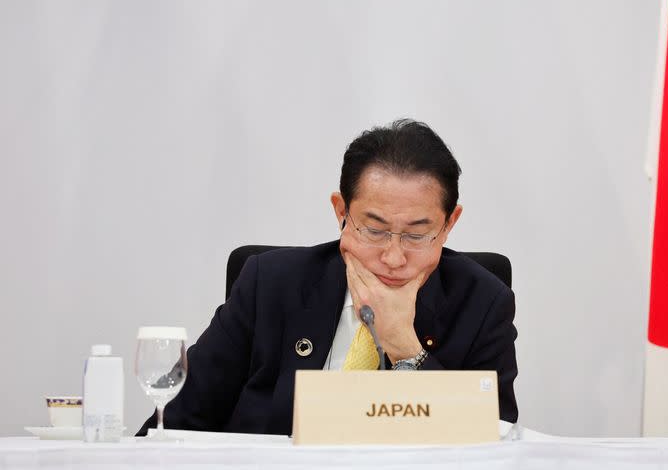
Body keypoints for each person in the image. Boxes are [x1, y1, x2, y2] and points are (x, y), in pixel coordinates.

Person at [138, 119, 518, 435]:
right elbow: (170, 425)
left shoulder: (483, 304)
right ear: (341, 212)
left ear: (450, 224)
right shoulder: (270, 284)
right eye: (374, 229)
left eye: (418, 234)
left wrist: (405, 346)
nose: (393, 256)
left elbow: (492, 444)